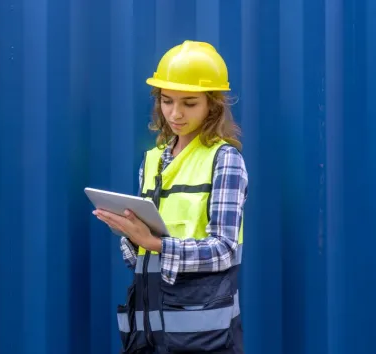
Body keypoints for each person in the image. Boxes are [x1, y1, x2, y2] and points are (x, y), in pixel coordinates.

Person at [93, 40, 248, 353]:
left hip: (204, 339)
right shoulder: (152, 160)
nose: (175, 114)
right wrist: (131, 236)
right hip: (149, 335)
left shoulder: (225, 159)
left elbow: (225, 250)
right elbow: (141, 257)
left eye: (189, 103)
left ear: (212, 105)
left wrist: (154, 243)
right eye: (167, 101)